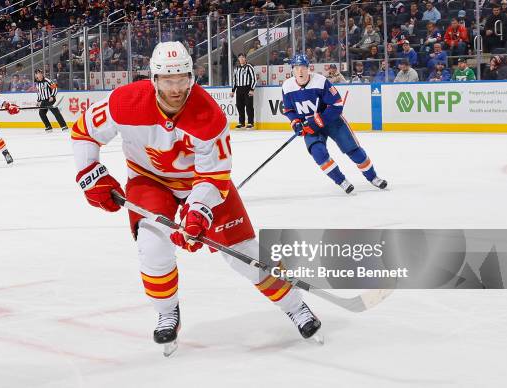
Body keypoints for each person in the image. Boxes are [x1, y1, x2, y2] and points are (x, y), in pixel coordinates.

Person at [70, 42, 322, 356]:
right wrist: (90, 173)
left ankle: (296, 306)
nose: (176, 88)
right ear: (154, 78)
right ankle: (167, 311)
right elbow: (84, 132)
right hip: (149, 181)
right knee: (151, 244)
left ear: (192, 76)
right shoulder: (125, 102)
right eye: (167, 80)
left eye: (182, 79)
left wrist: (199, 211)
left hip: (199, 184)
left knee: (243, 252)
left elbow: (214, 176)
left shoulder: (209, 116)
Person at [282, 54, 387, 194]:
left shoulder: (320, 82)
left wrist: (318, 121)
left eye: (303, 68)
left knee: (353, 150)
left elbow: (337, 105)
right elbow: (289, 109)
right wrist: (296, 123)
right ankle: (341, 181)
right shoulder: (287, 86)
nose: (300, 71)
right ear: (292, 70)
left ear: (308, 68)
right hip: (310, 126)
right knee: (318, 153)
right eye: (296, 68)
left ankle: (373, 177)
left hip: (332, 121)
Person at [230, 53, 257, 129]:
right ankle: (241, 123)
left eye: (242, 57)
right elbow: (234, 80)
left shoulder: (249, 67)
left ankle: (250, 123)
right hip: (239, 89)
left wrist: (252, 89)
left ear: (245, 58)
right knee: (239, 106)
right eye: (240, 57)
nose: (241, 59)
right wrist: (233, 90)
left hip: (247, 88)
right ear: (238, 59)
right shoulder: (236, 68)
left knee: (249, 106)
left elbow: (254, 79)